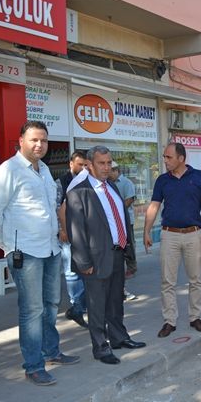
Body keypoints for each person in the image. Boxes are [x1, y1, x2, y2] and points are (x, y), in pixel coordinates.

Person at [0, 121, 79, 386]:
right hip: (25, 252)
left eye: (44, 141)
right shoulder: (9, 171)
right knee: (32, 309)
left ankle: (51, 352)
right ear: (21, 140)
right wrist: (7, 244)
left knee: (50, 303)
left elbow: (50, 207)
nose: (40, 145)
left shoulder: (44, 170)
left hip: (50, 248)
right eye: (34, 140)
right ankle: (33, 365)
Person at [66, 146, 146, 365]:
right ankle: (101, 348)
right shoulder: (79, 192)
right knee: (97, 305)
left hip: (116, 254)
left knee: (115, 302)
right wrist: (83, 262)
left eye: (109, 163)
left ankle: (119, 338)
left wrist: (128, 251)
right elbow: (76, 230)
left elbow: (119, 219)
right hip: (94, 258)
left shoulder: (112, 187)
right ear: (90, 165)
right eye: (102, 163)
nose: (106, 167)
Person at [143, 142, 201, 338]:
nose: (165, 160)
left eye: (168, 157)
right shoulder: (162, 180)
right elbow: (154, 206)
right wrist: (146, 231)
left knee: (195, 280)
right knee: (167, 281)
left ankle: (195, 317)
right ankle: (169, 321)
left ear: (181, 159)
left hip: (193, 235)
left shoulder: (198, 177)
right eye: (164, 157)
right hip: (169, 235)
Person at [56, 151, 88, 328]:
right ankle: (77, 305)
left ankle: (80, 305)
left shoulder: (88, 181)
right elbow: (57, 208)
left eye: (85, 165)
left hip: (85, 234)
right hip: (68, 234)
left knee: (86, 269)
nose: (83, 168)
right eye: (79, 164)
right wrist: (62, 230)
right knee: (71, 272)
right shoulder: (61, 182)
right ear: (71, 164)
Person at [109, 161, 137, 279]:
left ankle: (131, 266)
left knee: (128, 244)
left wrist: (116, 210)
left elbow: (129, 199)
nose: (108, 173)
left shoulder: (126, 183)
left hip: (126, 219)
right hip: (114, 220)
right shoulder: (108, 183)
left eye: (111, 171)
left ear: (116, 171)